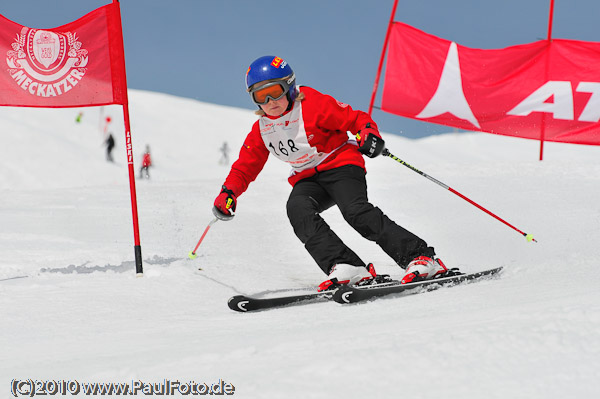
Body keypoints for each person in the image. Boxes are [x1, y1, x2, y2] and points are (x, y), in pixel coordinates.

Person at [213, 55, 450, 291]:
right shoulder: (263, 129)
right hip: (308, 178)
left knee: (355, 211)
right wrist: (228, 193)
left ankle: (420, 257)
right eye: (260, 96)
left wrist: (368, 133)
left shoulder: (311, 105)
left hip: (340, 164)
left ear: (290, 87)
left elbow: (355, 118)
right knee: (298, 210)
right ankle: (346, 264)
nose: (270, 101)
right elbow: (245, 166)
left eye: (275, 91)